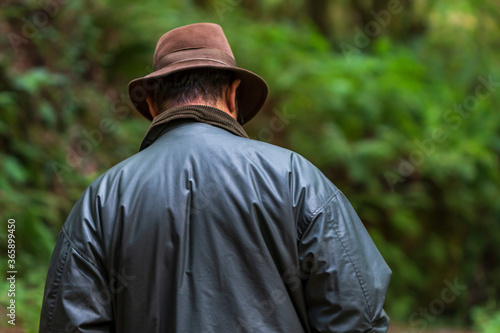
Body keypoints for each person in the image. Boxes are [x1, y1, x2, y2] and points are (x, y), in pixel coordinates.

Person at [39, 23, 391, 332]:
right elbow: (355, 313)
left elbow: (70, 323)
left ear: (151, 105)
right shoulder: (295, 178)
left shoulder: (102, 199)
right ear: (233, 93)